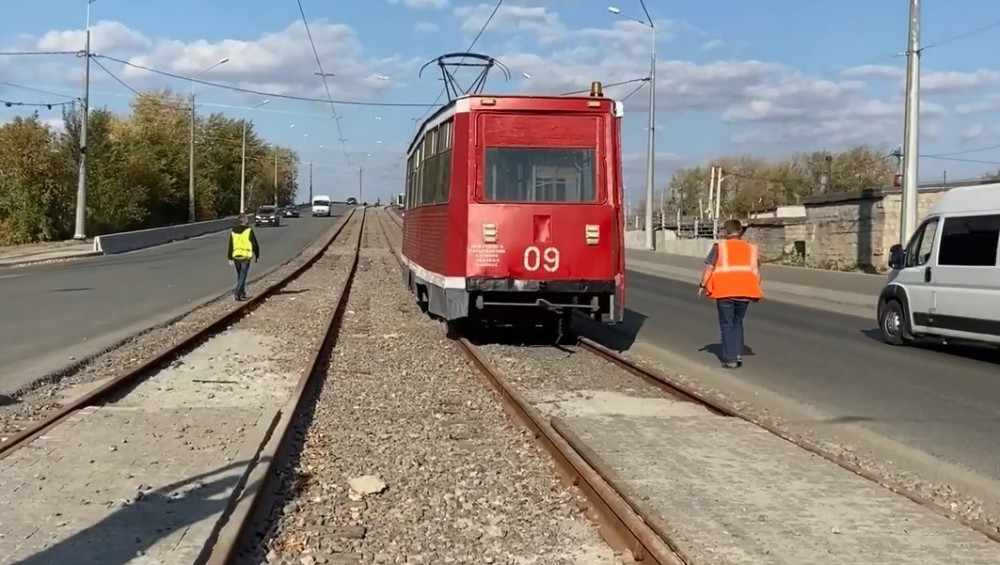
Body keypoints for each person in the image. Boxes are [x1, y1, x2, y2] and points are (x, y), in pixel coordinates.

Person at [697, 219, 763, 369]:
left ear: (726, 232)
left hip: (725, 291)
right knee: (737, 322)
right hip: (746, 292)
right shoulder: (752, 249)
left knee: (727, 325)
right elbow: (757, 272)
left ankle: (730, 359)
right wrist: (756, 290)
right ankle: (737, 353)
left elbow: (709, 267)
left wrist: (702, 285)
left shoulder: (719, 247)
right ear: (740, 232)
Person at [227, 214, 260, 301]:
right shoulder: (248, 230)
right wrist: (257, 254)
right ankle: (237, 291)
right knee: (243, 276)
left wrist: (230, 257)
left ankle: (242, 294)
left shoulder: (233, 231)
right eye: (247, 219)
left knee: (240, 276)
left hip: (236, 256)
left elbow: (231, 245)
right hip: (245, 257)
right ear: (245, 220)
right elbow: (254, 243)